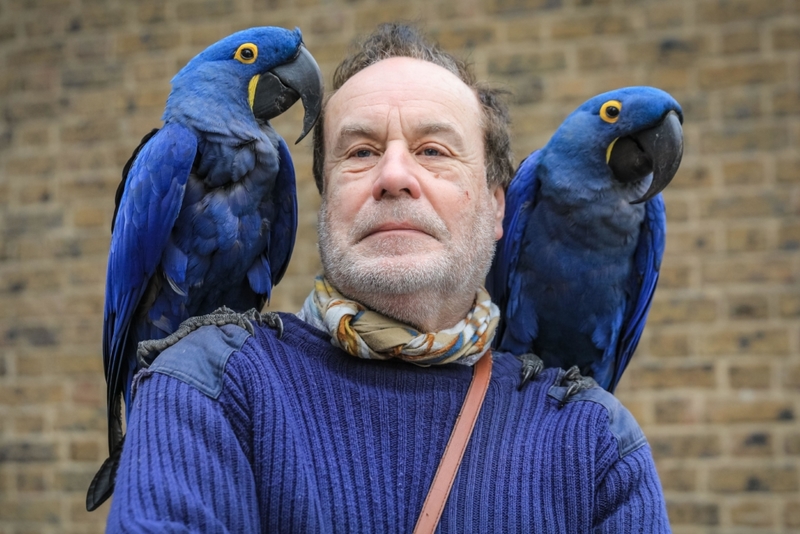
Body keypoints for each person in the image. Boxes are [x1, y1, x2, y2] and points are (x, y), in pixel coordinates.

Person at [107, 23, 670, 532]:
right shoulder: (202, 388)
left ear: (503, 209)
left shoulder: (602, 447)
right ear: (326, 202)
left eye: (433, 150)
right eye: (360, 151)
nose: (394, 176)